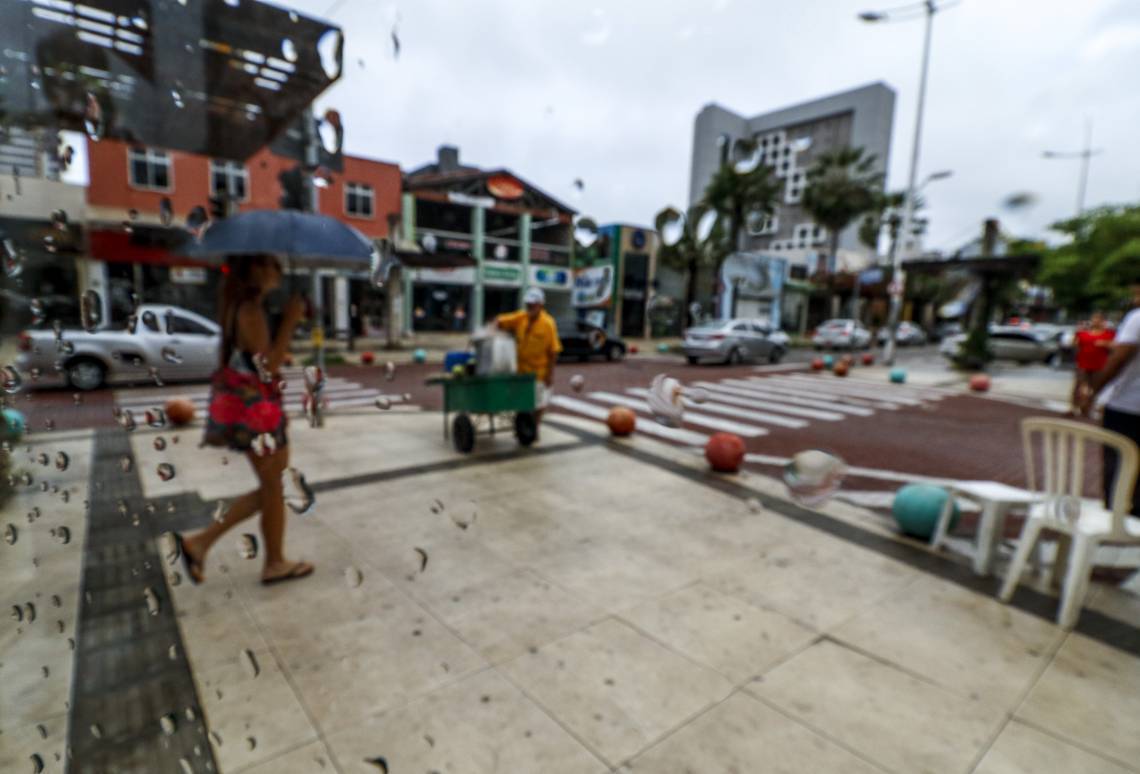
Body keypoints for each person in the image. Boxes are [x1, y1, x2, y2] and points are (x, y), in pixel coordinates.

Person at [175, 254, 314, 585]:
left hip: (255, 410)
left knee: (272, 488)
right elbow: (270, 367)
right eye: (269, 264)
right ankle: (260, 558)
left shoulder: (241, 307)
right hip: (257, 414)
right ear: (251, 270)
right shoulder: (250, 311)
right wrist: (292, 321)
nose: (277, 271)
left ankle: (212, 546)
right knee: (273, 487)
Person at [1079, 278, 1140, 516]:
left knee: (1117, 459)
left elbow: (1119, 359)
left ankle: (1112, 517)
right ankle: (1135, 516)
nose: (1135, 299)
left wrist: (1093, 392)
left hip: (1128, 405)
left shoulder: (1137, 319)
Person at [496, 287, 562, 431]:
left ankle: (534, 427)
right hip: (521, 371)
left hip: (539, 372)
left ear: (541, 305)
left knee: (539, 403)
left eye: (533, 304)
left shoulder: (548, 324)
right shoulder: (522, 317)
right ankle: (523, 428)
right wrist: (494, 326)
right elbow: (502, 321)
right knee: (522, 402)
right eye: (528, 304)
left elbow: (553, 351)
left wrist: (550, 375)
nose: (530, 307)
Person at [1070, 311, 1114, 415]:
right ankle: (1073, 407)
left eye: (1099, 319)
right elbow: (1074, 345)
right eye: (1094, 318)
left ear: (1104, 322)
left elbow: (1114, 347)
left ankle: (1087, 408)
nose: (1096, 321)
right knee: (1078, 386)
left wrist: (1105, 344)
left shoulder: (1109, 334)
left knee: (1094, 388)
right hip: (1082, 364)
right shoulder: (1083, 333)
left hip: (1099, 365)